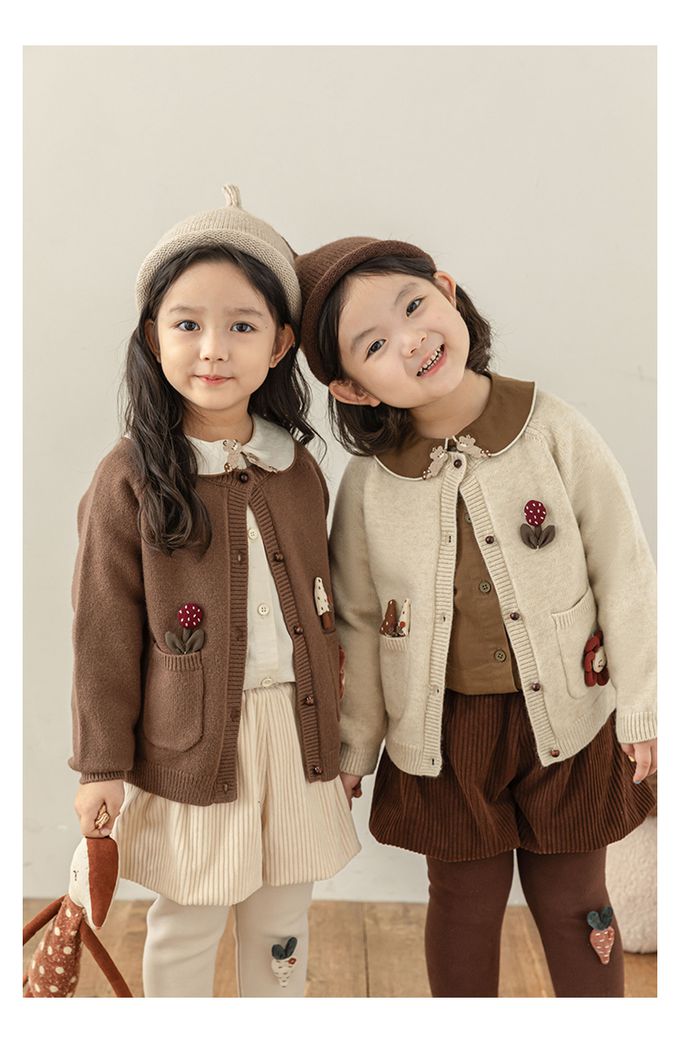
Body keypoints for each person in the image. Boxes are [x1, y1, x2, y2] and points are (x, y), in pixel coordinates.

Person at [294, 235, 656, 997]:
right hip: (444, 736)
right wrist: (355, 746)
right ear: (353, 389)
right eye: (375, 344)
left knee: (577, 899)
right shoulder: (368, 484)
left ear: (448, 291)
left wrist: (644, 710)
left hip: (569, 717)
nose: (411, 341)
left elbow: (624, 567)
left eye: (414, 306)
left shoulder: (552, 427)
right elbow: (356, 623)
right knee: (462, 900)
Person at [69, 187, 359, 998]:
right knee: (189, 916)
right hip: (192, 743)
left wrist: (342, 739)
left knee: (282, 921)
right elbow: (102, 635)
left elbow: (329, 614)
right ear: (153, 336)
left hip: (294, 738)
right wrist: (101, 764)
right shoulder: (130, 477)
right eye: (188, 323)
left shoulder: (295, 468)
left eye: (241, 326)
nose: (213, 349)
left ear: (280, 343)